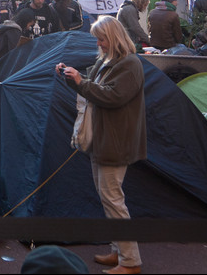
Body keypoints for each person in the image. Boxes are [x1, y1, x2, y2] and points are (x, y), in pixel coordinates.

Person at [58, 17, 146, 275]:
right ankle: (119, 251)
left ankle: (130, 262)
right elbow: (93, 88)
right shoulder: (109, 60)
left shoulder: (130, 64)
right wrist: (70, 77)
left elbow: (112, 96)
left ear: (114, 37)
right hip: (104, 137)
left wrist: (81, 82)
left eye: (102, 38)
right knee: (109, 198)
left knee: (113, 200)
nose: (98, 43)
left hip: (115, 140)